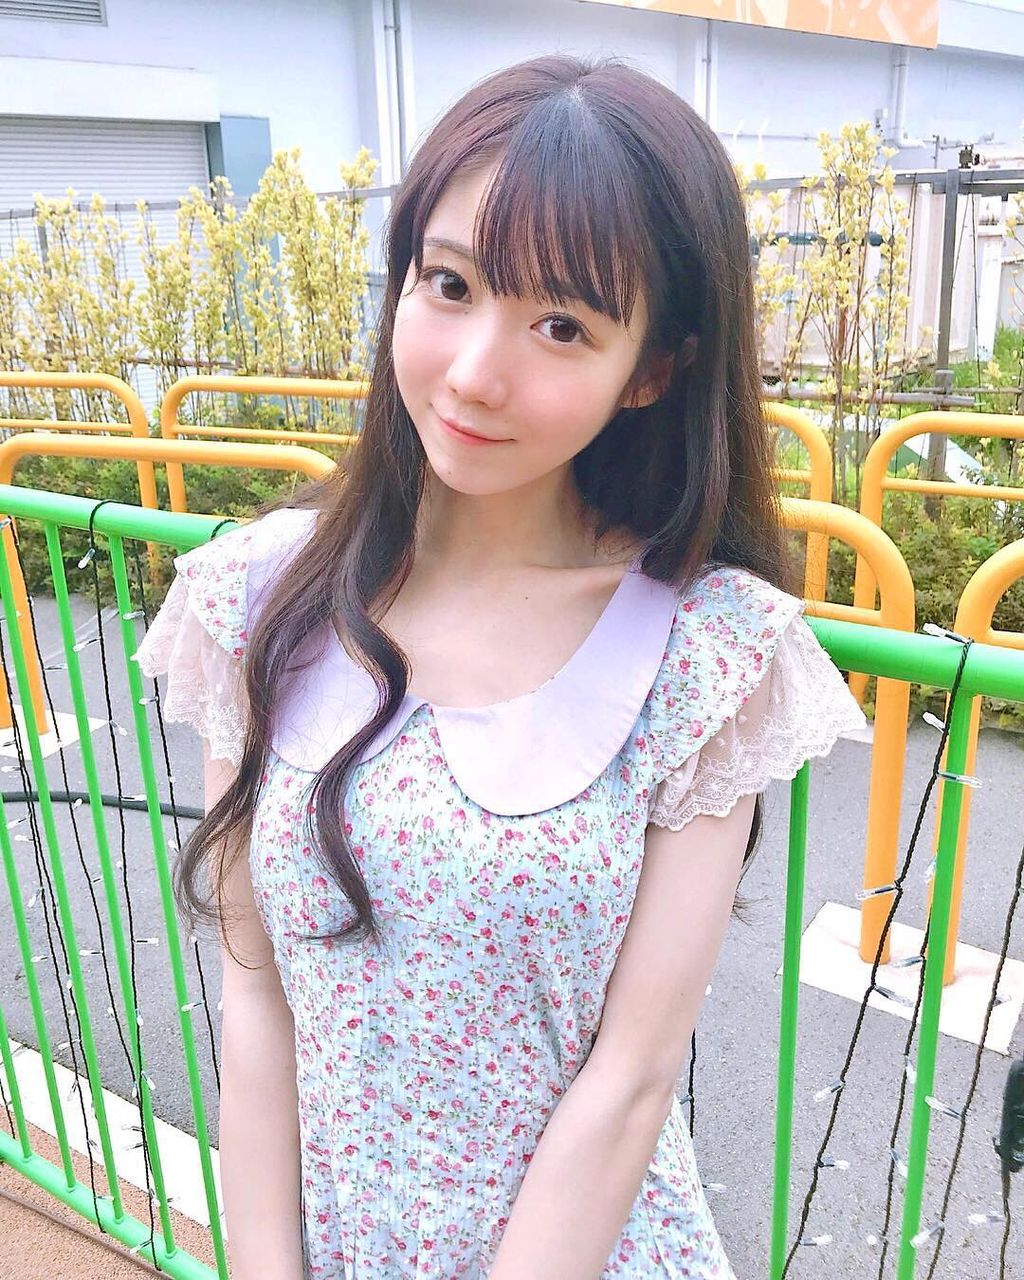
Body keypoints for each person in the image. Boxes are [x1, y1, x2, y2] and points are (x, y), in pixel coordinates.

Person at [135, 53, 867, 1280]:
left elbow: (629, 1082)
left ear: (652, 369)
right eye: (451, 283)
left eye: (561, 324)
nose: (476, 370)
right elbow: (255, 994)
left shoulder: (705, 653)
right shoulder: (259, 598)